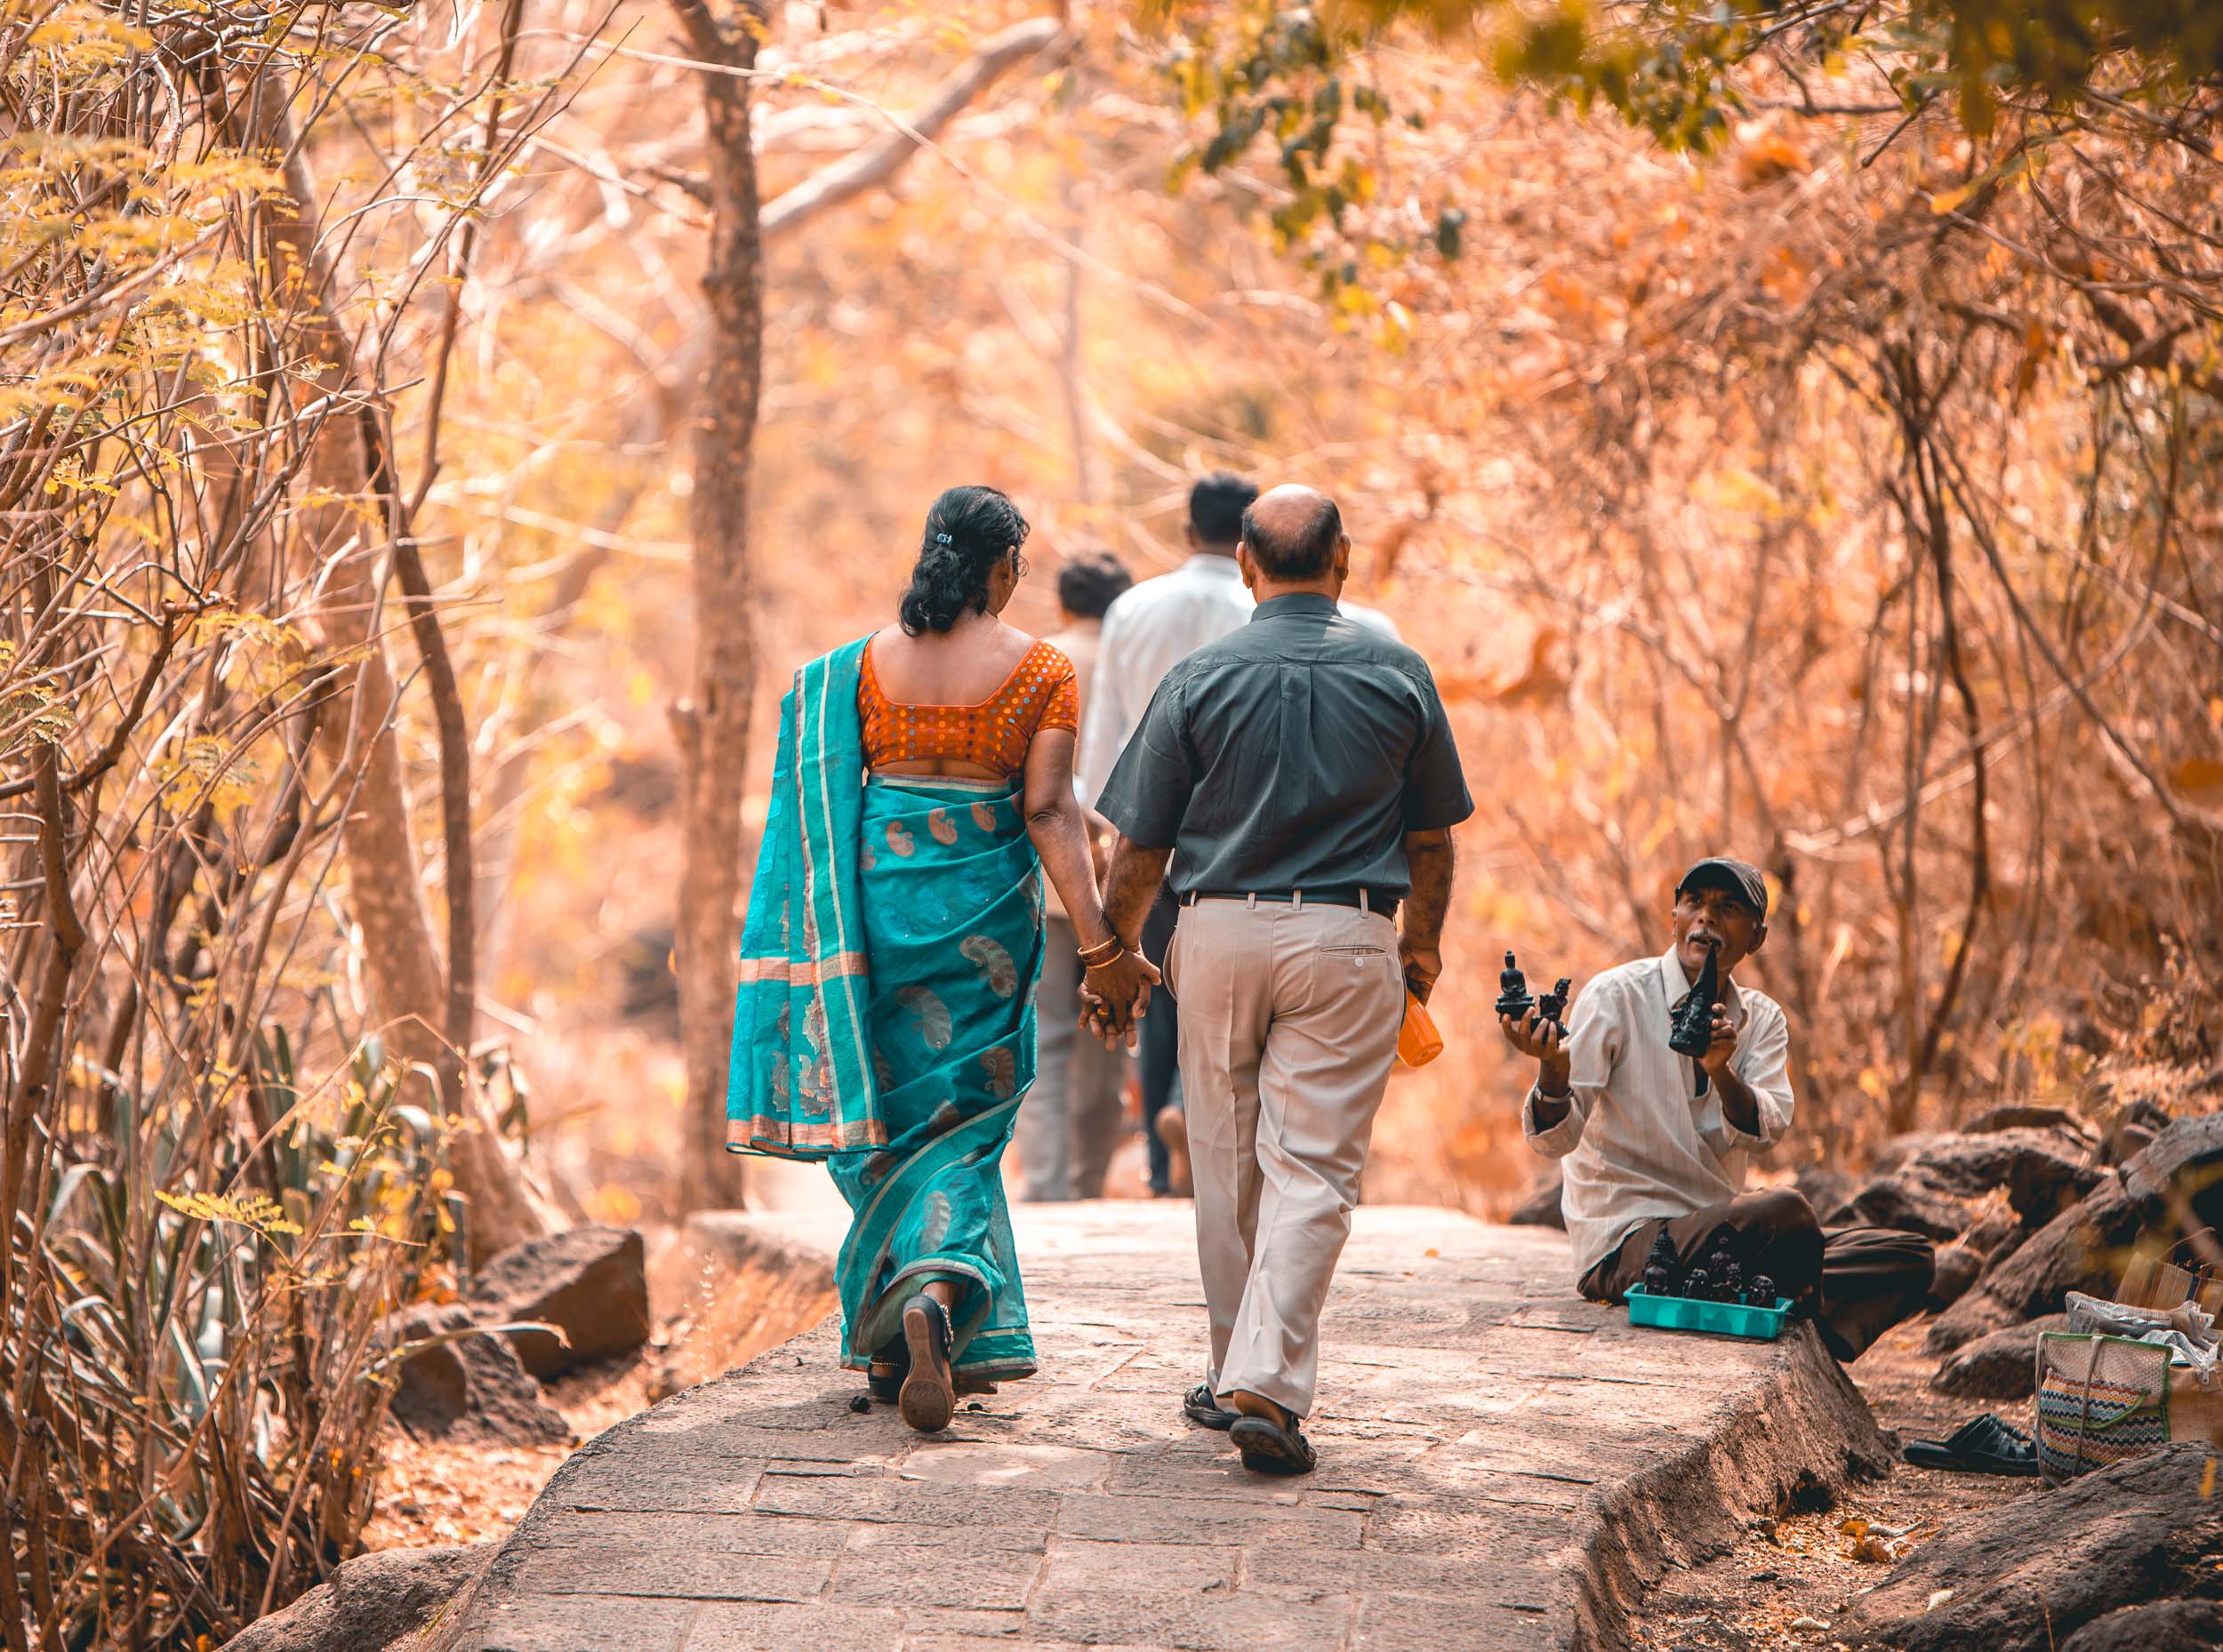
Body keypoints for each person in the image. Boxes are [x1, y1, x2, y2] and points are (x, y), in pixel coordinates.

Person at [726, 485, 1156, 1435]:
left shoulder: (854, 671)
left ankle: (895, 1332)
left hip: (871, 918)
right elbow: (1047, 813)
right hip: (981, 931)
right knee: (962, 1128)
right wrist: (1100, 943)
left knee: (886, 1119)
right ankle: (931, 1297)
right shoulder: (1039, 670)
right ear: (1001, 567)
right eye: (1018, 563)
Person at [1087, 483, 1473, 1475]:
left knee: (1223, 1163)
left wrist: (1114, 956)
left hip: (1213, 934)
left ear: (1248, 568)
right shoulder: (1398, 672)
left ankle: (1236, 1378)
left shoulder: (1197, 676)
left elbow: (1140, 845)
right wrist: (1418, 954)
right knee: (1313, 1169)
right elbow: (1431, 843)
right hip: (1348, 935)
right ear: (1343, 557)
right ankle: (1263, 1381)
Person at [1500, 856, 1934, 1362]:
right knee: (1787, 1214)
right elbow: (1557, 1139)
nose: (1707, 918)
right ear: (1675, 918)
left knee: (1911, 1256)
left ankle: (1786, 1304)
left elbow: (1766, 1130)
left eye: (1728, 908)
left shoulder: (1763, 1018)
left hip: (1726, 1236)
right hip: (1632, 1245)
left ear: (1757, 937)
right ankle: (1802, 1307)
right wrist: (1553, 1068)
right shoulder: (1615, 996)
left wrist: (1722, 1070)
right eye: (1694, 903)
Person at [1076, 473, 1260, 1198]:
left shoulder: (1132, 607)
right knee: (1233, 993)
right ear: (1249, 545)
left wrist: (1102, 833)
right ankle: (1213, 1135)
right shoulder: (1259, 607)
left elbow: (1105, 739)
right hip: (1241, 834)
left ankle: (1161, 1164)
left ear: (1188, 532)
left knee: (1155, 987)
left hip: (1149, 827)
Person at [1016, 549, 1136, 1201]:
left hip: (1048, 870)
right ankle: (1090, 1179)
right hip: (1121, 875)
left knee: (1047, 1030)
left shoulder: (1036, 659)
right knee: (1109, 1030)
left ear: (1063, 603)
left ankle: (1046, 1182)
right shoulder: (1137, 657)